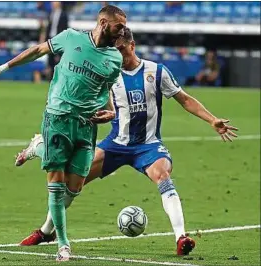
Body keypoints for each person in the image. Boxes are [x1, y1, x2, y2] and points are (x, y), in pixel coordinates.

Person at [15, 28, 238, 256]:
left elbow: (185, 99)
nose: (118, 55)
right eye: (114, 50)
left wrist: (212, 120)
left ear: (132, 46)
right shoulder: (108, 72)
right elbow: (96, 103)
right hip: (115, 144)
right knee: (73, 182)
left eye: (121, 49)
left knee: (162, 174)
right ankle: (46, 231)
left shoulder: (156, 71)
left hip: (147, 146)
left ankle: (181, 237)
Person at [0, 5, 127, 262]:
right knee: (57, 188)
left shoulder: (114, 58)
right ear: (104, 23)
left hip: (86, 126)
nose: (122, 31)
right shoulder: (71, 37)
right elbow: (38, 50)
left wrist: (111, 113)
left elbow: (106, 94)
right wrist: (3, 67)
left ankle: (36, 147)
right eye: (119, 26)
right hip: (57, 118)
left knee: (75, 187)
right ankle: (62, 244)